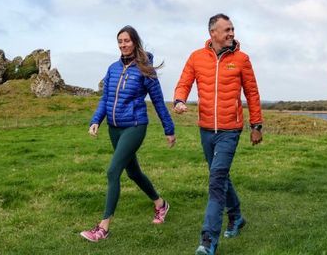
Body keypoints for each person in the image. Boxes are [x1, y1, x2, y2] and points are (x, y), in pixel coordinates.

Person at [173, 13, 263, 255]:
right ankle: (236, 217)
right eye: (227, 30)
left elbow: (252, 93)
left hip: (230, 130)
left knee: (216, 181)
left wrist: (256, 126)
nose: (232, 33)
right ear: (213, 33)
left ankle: (208, 240)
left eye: (233, 29)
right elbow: (184, 82)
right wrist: (180, 100)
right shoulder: (196, 57)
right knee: (220, 177)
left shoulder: (242, 59)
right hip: (206, 129)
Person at [80, 25, 176, 243]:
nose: (123, 45)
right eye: (120, 41)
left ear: (135, 42)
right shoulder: (113, 68)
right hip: (114, 128)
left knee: (113, 171)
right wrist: (96, 120)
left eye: (127, 40)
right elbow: (105, 99)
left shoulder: (145, 69)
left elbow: (159, 101)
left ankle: (103, 227)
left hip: (135, 125)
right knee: (133, 172)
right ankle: (161, 204)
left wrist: (168, 129)